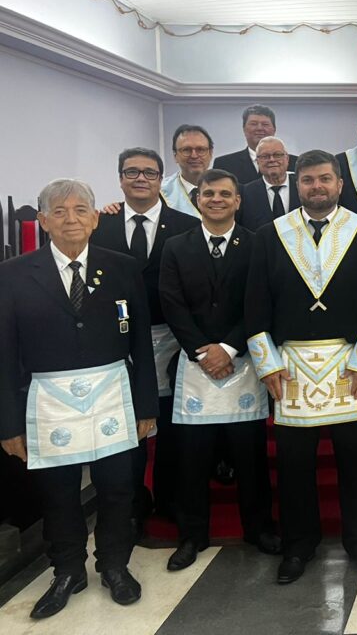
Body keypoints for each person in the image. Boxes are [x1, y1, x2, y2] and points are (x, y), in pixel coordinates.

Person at [0, 179, 158, 618]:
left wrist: (146, 406)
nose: (71, 219)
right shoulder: (12, 274)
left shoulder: (122, 267)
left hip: (113, 399)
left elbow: (140, 343)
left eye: (81, 209)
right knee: (59, 493)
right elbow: (4, 354)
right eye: (60, 211)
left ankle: (114, 565)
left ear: (94, 219)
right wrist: (8, 423)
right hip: (47, 403)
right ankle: (67, 570)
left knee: (117, 488)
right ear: (43, 220)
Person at [245, 150, 357, 584]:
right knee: (294, 466)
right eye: (308, 180)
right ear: (298, 186)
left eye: (325, 179)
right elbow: (255, 306)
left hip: (349, 366)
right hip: (290, 368)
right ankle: (298, 545)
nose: (317, 187)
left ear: (339, 184)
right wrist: (267, 365)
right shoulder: (270, 236)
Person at [159, 169, 278, 571]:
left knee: (250, 457)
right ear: (198, 199)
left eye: (225, 193)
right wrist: (202, 351)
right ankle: (192, 535)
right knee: (192, 459)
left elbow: (261, 301)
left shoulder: (256, 243)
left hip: (242, 362)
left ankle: (259, 528)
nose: (216, 200)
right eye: (209, 193)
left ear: (238, 201)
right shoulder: (176, 246)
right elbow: (172, 303)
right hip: (194, 365)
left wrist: (228, 347)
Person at [91, 148, 199, 530]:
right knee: (125, 425)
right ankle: (134, 503)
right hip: (115, 342)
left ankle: (169, 498)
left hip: (170, 336)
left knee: (170, 425)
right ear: (120, 178)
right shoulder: (99, 224)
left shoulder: (186, 224)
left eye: (149, 173)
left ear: (160, 179)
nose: (140, 178)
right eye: (132, 172)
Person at [213, 104, 298, 183]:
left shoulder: (295, 163)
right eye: (253, 124)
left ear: (274, 129)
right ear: (244, 129)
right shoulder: (224, 164)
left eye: (265, 124)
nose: (259, 128)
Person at [239, 136, 300, 230]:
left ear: (287, 158)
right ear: (257, 161)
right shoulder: (246, 193)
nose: (271, 159)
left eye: (277, 155)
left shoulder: (302, 186)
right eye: (265, 156)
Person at [161, 124, 214, 218]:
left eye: (200, 149)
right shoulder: (160, 192)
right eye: (186, 150)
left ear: (210, 153)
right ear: (175, 156)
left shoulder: (229, 189)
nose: (194, 156)